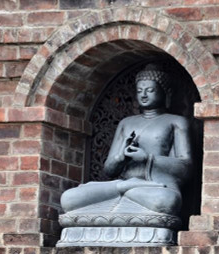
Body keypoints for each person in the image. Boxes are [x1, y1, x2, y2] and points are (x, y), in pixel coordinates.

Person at [60, 64, 193, 218]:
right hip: (123, 183)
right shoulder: (126, 123)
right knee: (69, 199)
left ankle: (127, 191)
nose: (144, 95)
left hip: (155, 187)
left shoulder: (176, 122)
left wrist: (147, 158)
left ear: (166, 93)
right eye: (139, 91)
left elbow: (186, 167)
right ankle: (127, 188)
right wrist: (120, 157)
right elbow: (109, 170)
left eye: (150, 90)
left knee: (166, 201)